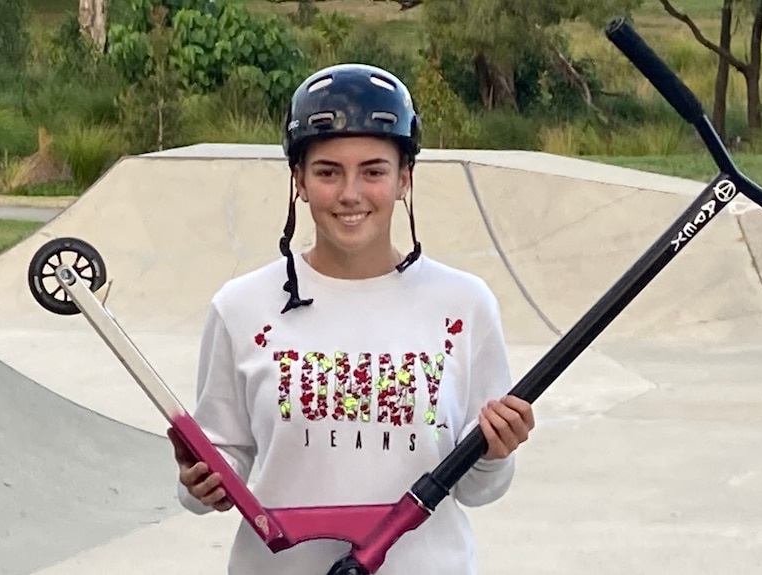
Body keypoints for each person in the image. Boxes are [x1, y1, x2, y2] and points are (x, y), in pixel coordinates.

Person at [168, 63, 536, 574]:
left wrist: (496, 452)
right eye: (327, 171)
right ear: (297, 179)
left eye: (373, 170)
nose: (350, 194)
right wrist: (203, 482)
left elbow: (479, 489)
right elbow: (221, 458)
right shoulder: (241, 308)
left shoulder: (464, 305)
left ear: (405, 177)